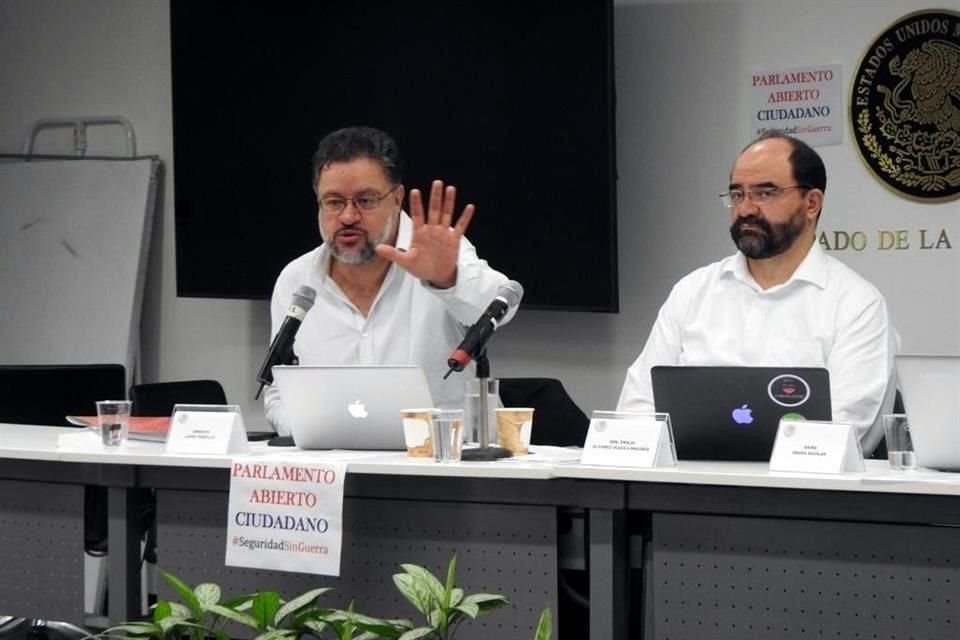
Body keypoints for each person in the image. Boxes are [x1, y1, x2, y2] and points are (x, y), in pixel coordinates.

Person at [617, 130, 897, 454]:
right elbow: (635, 409)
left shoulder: (856, 304)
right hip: (688, 490)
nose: (746, 209)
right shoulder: (692, 292)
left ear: (811, 203)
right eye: (737, 195)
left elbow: (845, 432)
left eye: (765, 193)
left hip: (802, 498)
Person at [264, 126, 515, 435]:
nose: (347, 217)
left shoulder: (435, 256)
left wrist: (447, 280)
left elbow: (501, 305)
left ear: (397, 199)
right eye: (333, 202)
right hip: (337, 470)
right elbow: (278, 390)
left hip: (443, 467)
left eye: (365, 200)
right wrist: (310, 434)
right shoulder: (297, 280)